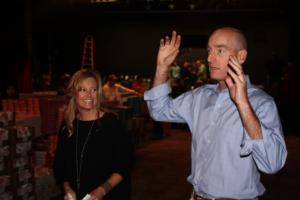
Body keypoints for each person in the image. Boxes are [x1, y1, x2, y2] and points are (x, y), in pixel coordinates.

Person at [144, 29, 287, 199]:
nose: (210, 58)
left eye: (220, 50)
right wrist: (162, 67)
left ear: (241, 56)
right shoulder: (200, 96)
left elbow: (273, 163)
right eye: (209, 50)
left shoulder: (261, 103)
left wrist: (242, 104)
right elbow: (158, 111)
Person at [52, 69, 136, 200]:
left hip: (109, 195)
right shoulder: (67, 126)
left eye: (93, 90)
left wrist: (101, 191)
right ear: (74, 93)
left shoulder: (111, 124)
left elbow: (126, 162)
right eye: (83, 90)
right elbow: (59, 165)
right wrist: (68, 189)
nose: (89, 95)